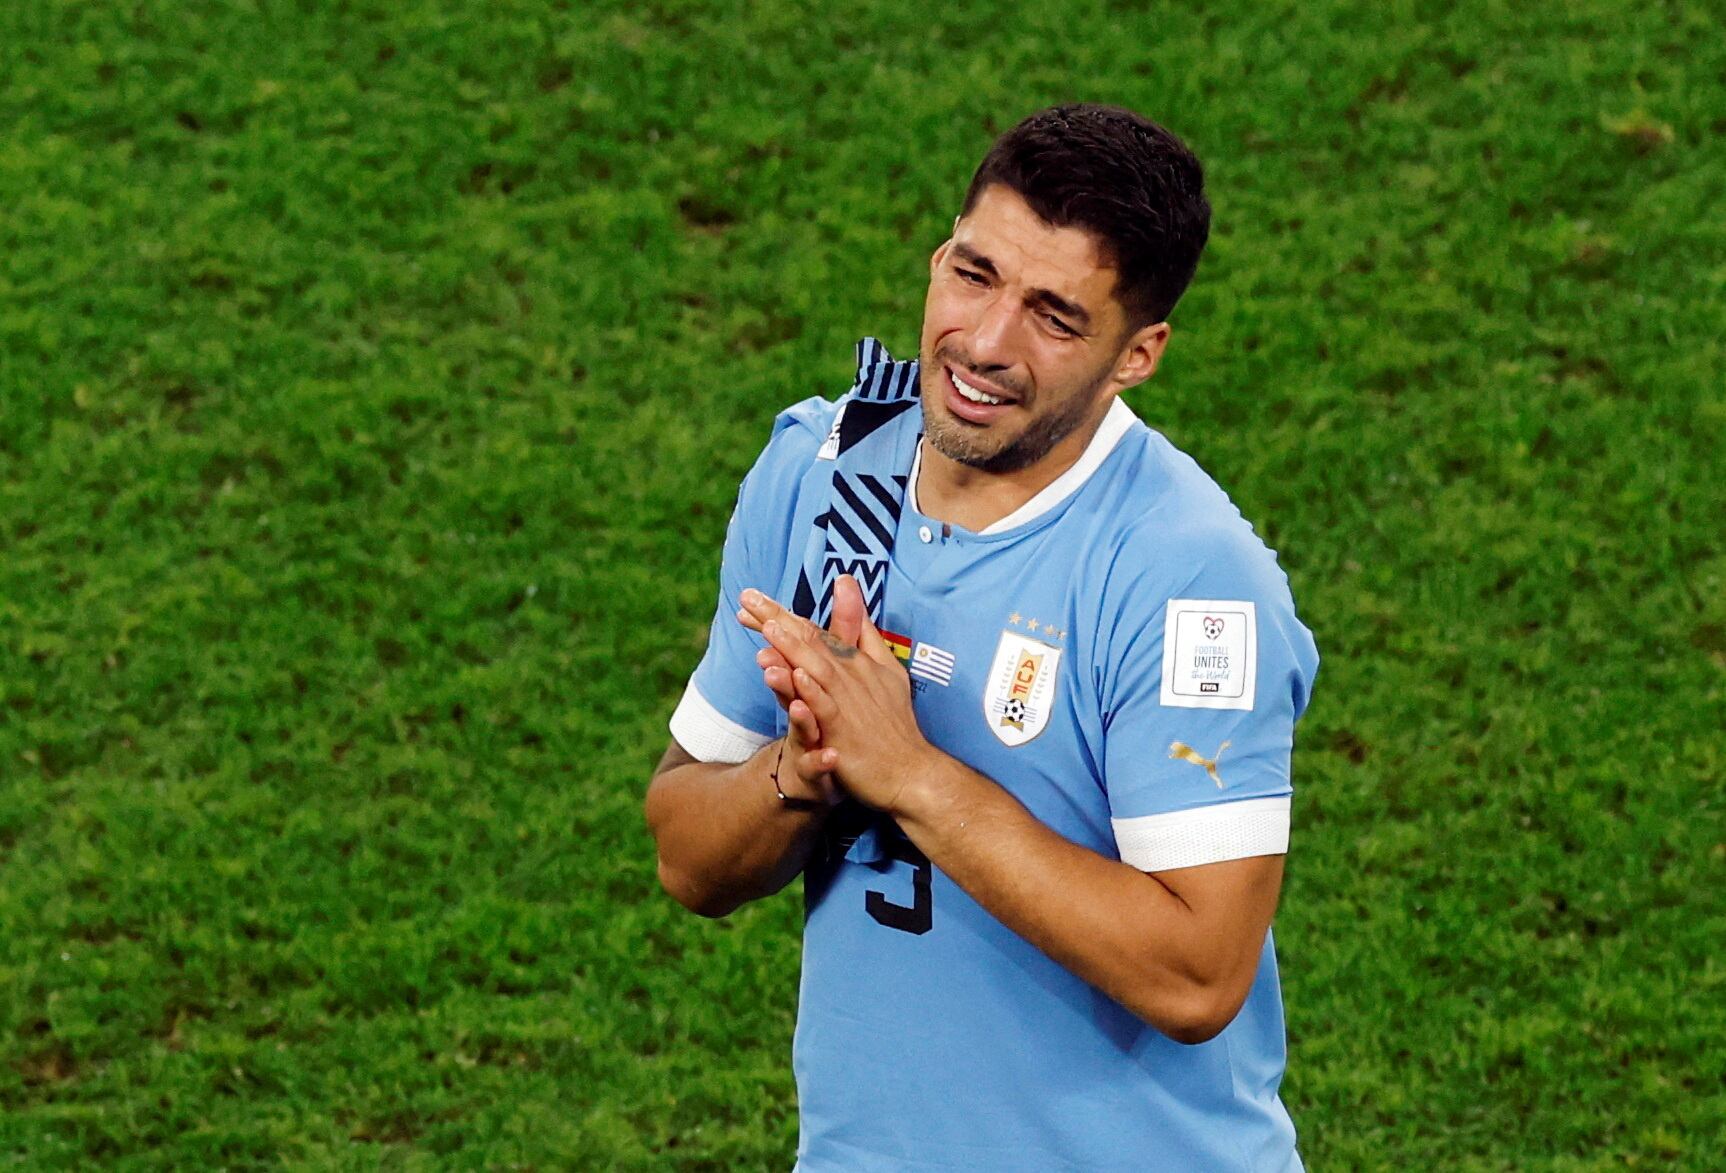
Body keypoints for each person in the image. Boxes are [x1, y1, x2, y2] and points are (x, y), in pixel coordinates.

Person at [645, 104, 1318, 1171]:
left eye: (1055, 317)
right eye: (975, 275)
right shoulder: (825, 474)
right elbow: (687, 854)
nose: (986, 343)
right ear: (939, 257)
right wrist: (803, 772)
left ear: (1137, 354)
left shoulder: (1186, 577)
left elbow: (1198, 974)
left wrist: (912, 773)